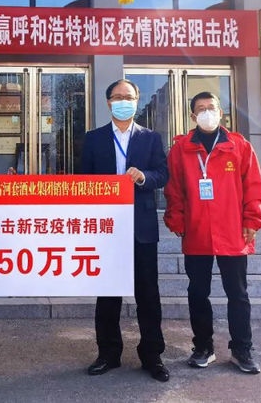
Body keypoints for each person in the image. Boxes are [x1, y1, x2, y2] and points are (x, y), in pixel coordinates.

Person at [163, 91, 261, 374]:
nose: (207, 112)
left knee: (238, 293)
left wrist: (252, 219)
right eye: (201, 108)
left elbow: (254, 187)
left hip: (232, 231)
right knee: (198, 293)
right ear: (193, 116)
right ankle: (203, 347)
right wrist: (177, 220)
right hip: (197, 230)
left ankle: (242, 349)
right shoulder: (181, 149)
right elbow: (174, 190)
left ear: (221, 112)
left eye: (212, 107)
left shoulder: (239, 146)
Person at [81, 79, 171, 382]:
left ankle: (152, 355)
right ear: (108, 102)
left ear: (137, 100)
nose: (123, 101)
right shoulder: (93, 138)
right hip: (106, 228)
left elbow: (163, 174)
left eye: (129, 97)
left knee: (148, 294)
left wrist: (143, 176)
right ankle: (108, 353)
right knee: (108, 294)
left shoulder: (151, 138)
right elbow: (84, 181)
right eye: (118, 97)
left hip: (140, 227)